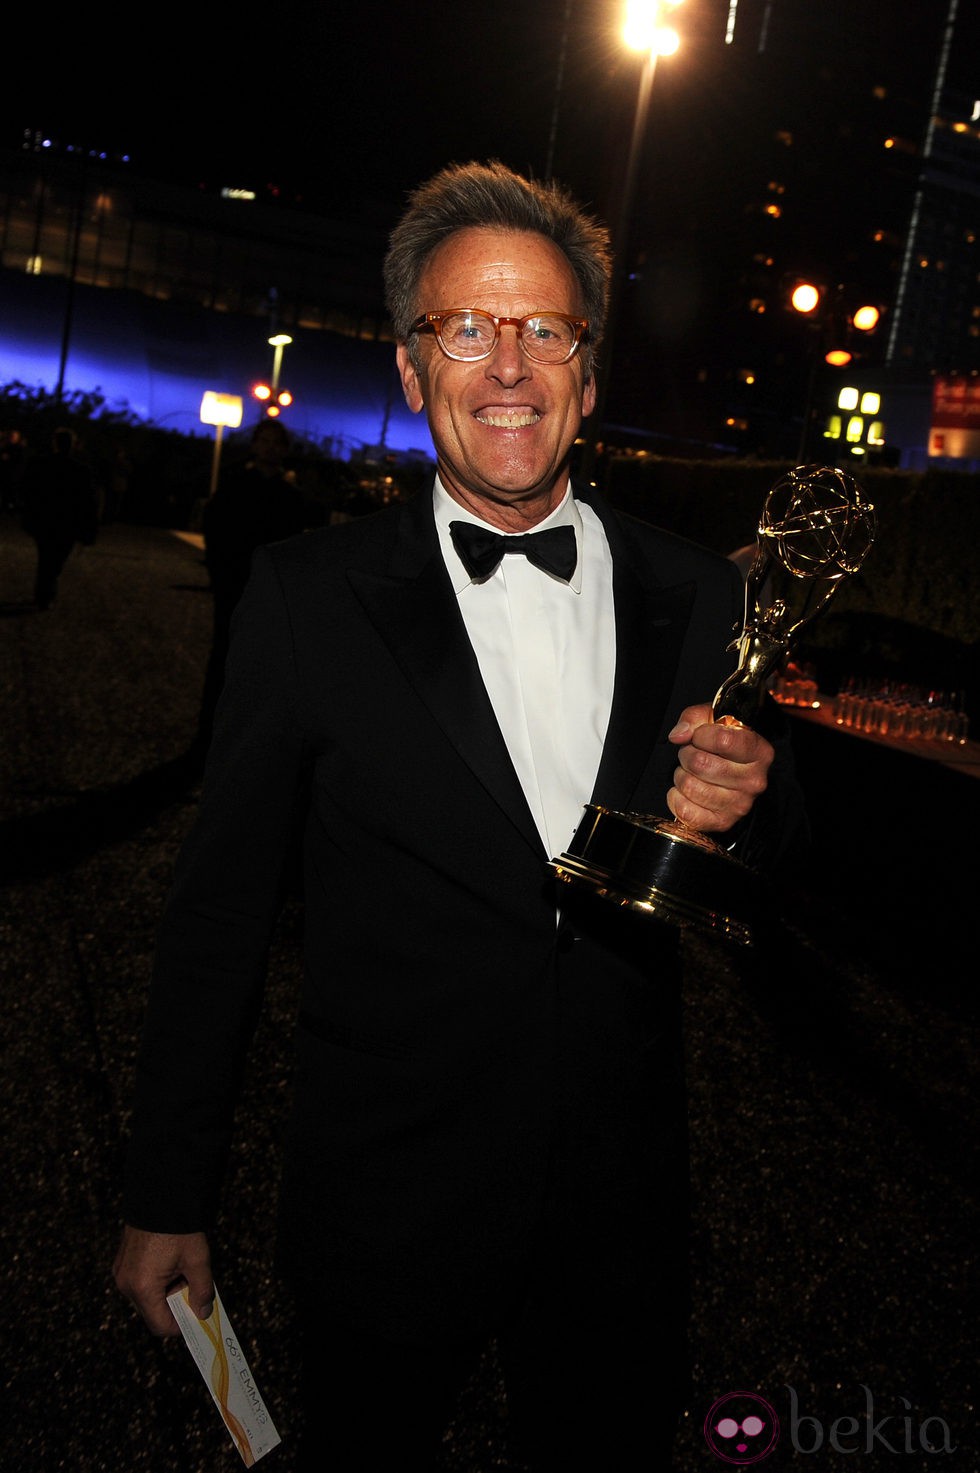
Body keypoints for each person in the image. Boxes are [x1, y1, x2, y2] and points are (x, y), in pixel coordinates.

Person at [113, 160, 808, 1471]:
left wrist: (752, 807)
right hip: (383, 1204)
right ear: (410, 369)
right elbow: (218, 912)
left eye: (544, 328)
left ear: (589, 374)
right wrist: (165, 1189)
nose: (507, 363)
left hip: (619, 1218)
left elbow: (785, 865)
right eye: (465, 328)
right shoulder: (309, 600)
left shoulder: (701, 600)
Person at [193, 417, 309, 757]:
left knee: (265, 665)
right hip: (234, 582)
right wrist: (219, 573)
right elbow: (215, 532)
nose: (270, 448)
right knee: (224, 657)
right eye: (265, 441)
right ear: (255, 445)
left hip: (272, 593)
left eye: (276, 442)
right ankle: (208, 735)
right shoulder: (235, 485)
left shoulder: (290, 497)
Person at [19, 426, 101, 609]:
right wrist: (89, 528)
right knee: (56, 558)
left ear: (54, 443)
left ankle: (44, 592)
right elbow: (88, 501)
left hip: (44, 519)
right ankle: (46, 591)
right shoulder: (81, 470)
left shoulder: (40, 464)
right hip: (67, 523)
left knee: (46, 555)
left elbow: (27, 489)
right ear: (73, 445)